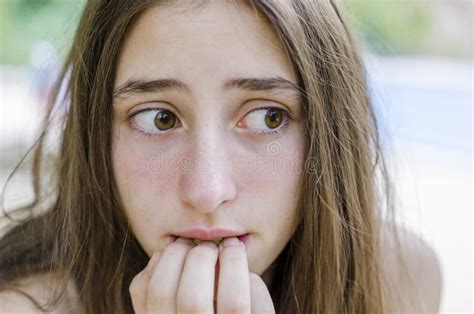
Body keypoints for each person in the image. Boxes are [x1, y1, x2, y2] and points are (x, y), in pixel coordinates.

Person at [0, 0, 442, 313]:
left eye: (269, 117)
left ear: (328, 136)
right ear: (97, 140)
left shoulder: (399, 281)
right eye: (158, 119)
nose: (207, 192)